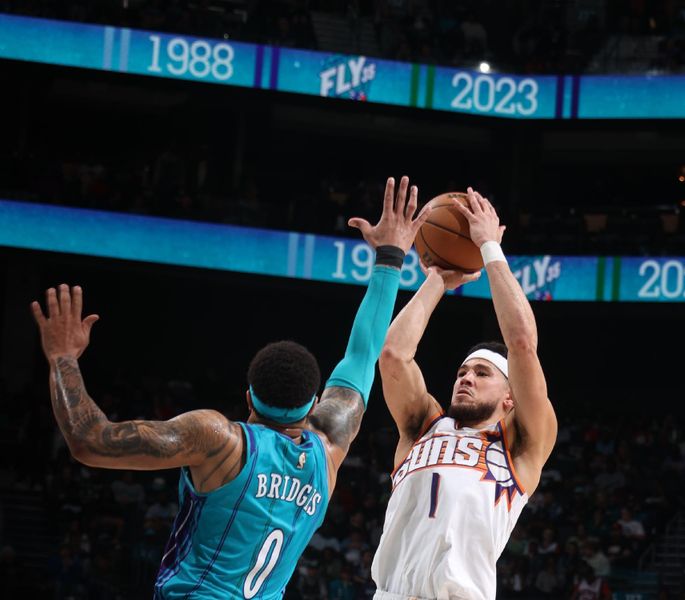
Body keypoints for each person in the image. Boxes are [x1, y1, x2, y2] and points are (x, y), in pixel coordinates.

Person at [31, 176, 431, 599]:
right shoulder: (329, 448)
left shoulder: (217, 438)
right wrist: (390, 259)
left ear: (248, 397)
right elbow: (363, 354)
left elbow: (90, 440)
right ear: (312, 403)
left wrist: (62, 359)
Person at [371, 188, 558, 599]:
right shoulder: (423, 427)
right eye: (462, 371)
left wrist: (489, 247)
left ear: (510, 397)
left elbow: (523, 342)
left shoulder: (520, 444)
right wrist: (437, 280)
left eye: (482, 373)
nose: (466, 378)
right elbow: (393, 355)